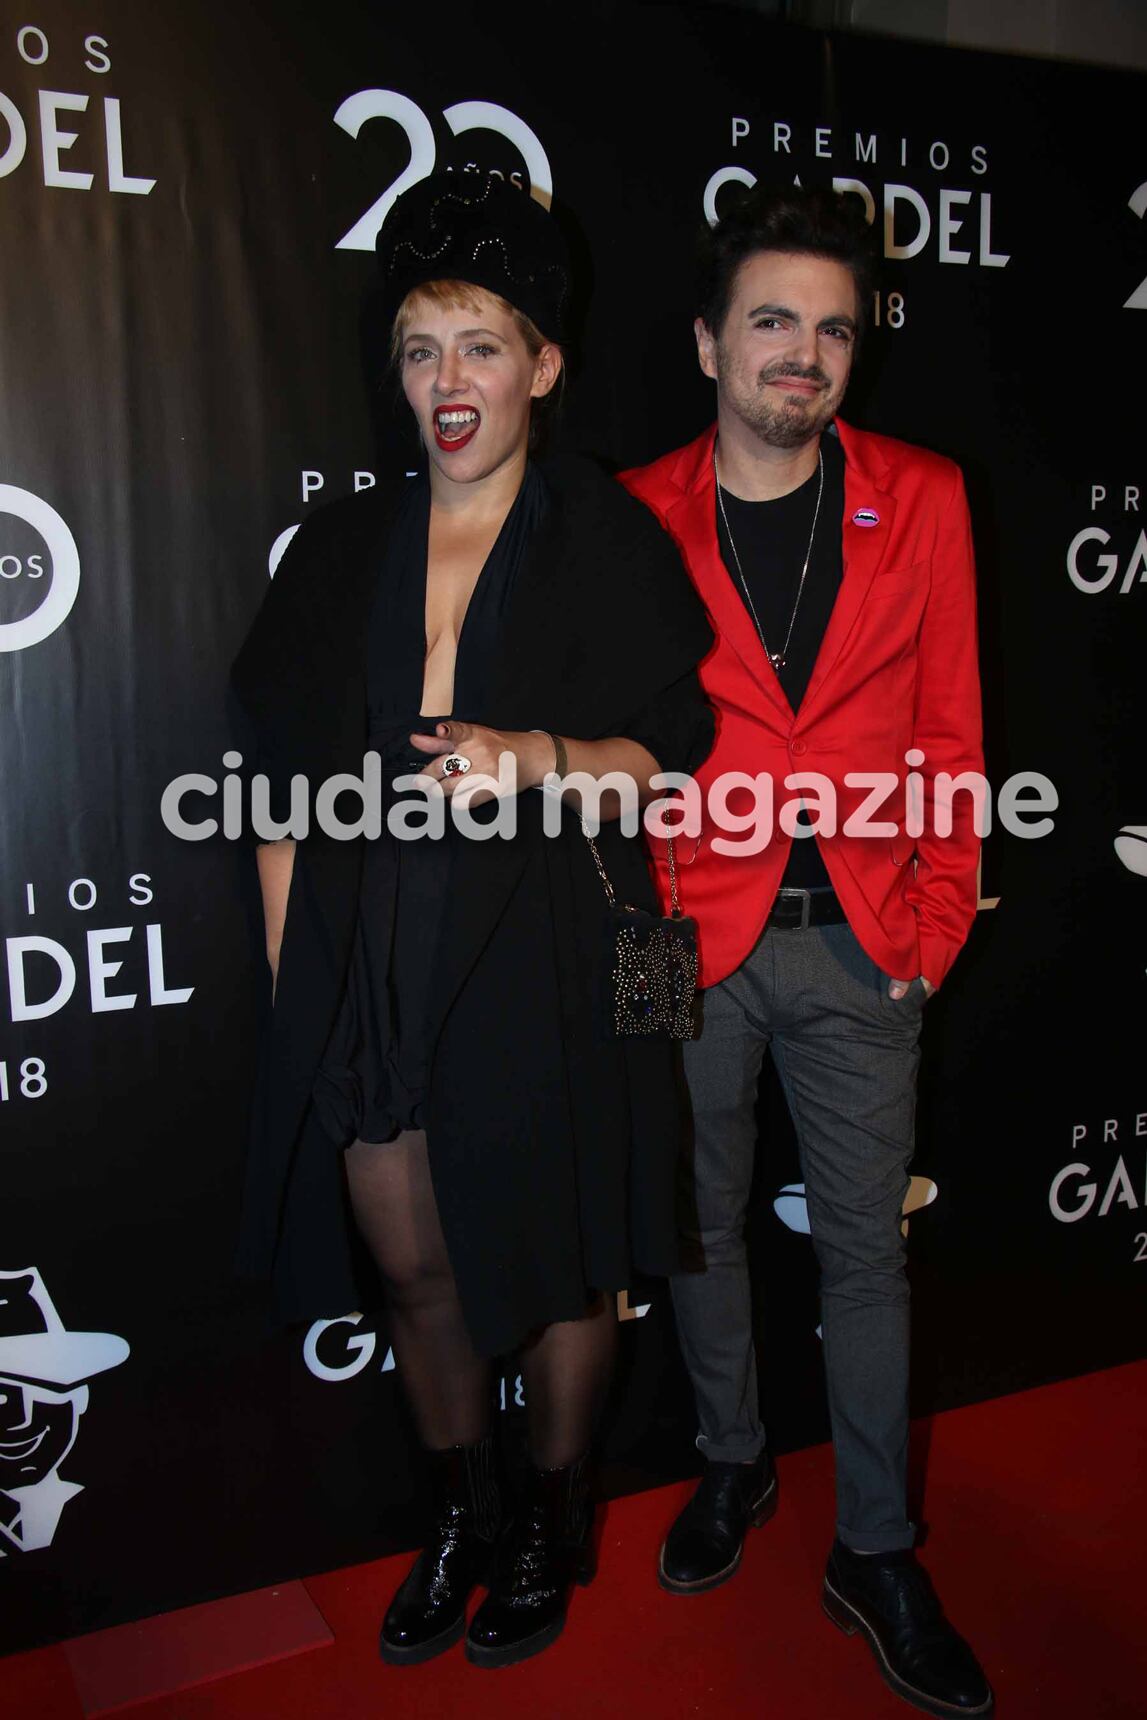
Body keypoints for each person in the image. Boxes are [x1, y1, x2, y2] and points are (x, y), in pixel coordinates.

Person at [230, 168, 714, 1671]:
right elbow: (277, 787)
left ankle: (553, 1513)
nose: (450, 379)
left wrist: (538, 762)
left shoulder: (608, 538)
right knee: (417, 1265)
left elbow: (666, 761)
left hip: (553, 955)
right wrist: (290, 969)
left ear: (543, 365)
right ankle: (456, 1511)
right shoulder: (337, 552)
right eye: (424, 346)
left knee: (565, 1260)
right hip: (374, 956)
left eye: (482, 343)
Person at [622, 185, 993, 1718]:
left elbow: (958, 729)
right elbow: (611, 764)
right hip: (685, 952)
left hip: (861, 953)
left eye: (834, 328)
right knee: (695, 1232)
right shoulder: (631, 509)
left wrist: (929, 936)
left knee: (867, 1259)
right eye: (773, 320)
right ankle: (729, 1466)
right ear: (711, 340)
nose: (805, 352)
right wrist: (638, 976)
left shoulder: (924, 497)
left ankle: (877, 1548)